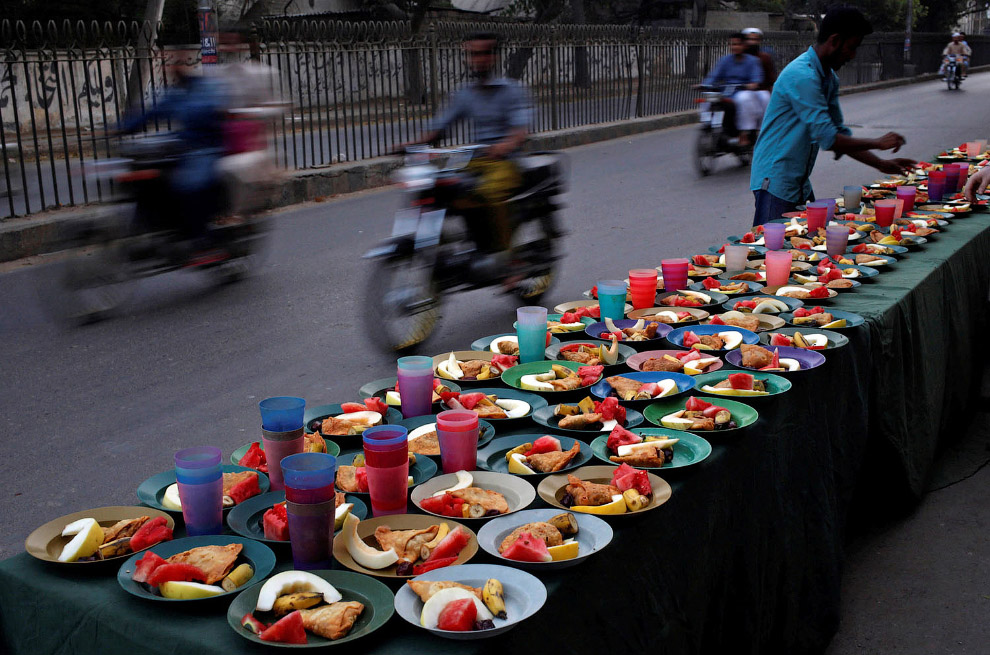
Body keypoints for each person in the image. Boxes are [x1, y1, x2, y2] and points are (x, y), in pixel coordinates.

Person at [749, 5, 914, 226]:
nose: (852, 56)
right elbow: (829, 139)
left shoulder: (828, 78)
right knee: (772, 251)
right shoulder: (803, 75)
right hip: (776, 181)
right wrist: (878, 143)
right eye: (851, 47)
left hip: (799, 183)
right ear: (834, 41)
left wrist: (881, 164)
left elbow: (839, 136)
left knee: (810, 245)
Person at [404, 32, 531, 257]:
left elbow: (519, 132)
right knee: (439, 188)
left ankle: (508, 260)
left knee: (486, 192)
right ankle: (441, 252)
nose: (478, 59)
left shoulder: (512, 90)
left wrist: (505, 144)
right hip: (477, 161)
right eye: (473, 54)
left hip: (505, 162)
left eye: (484, 54)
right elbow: (440, 127)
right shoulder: (464, 94)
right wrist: (409, 145)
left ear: (493, 57)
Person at [118, 58, 231, 249]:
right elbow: (152, 113)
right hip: (184, 149)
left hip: (206, 149)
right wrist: (121, 128)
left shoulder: (206, 90)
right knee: (150, 179)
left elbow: (214, 115)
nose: (175, 71)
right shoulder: (177, 93)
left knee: (188, 184)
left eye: (179, 66)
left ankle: (200, 236)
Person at [700, 32, 763, 146]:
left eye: (738, 44)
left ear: (744, 46)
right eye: (733, 44)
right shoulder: (725, 60)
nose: (735, 47)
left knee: (743, 98)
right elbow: (713, 76)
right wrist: (705, 85)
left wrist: (750, 85)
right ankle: (709, 125)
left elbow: (756, 80)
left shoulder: (753, 61)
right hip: (726, 93)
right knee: (707, 97)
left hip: (743, 92)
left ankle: (744, 133)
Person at [743, 27, 775, 129]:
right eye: (749, 39)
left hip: (761, 90)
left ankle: (762, 129)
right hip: (741, 89)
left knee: (765, 100)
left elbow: (771, 78)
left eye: (755, 40)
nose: (752, 42)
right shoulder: (740, 56)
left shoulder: (765, 57)